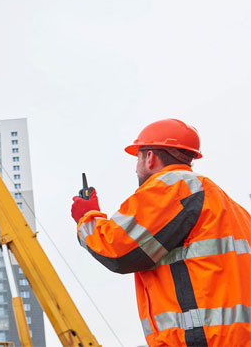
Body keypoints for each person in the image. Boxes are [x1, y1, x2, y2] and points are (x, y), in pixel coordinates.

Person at [71, 119, 251, 347]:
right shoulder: (229, 206)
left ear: (150, 157)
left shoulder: (172, 188)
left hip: (203, 339)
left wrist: (87, 217)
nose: (136, 166)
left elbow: (116, 250)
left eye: (138, 157)